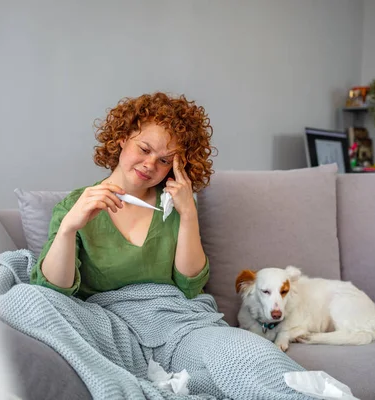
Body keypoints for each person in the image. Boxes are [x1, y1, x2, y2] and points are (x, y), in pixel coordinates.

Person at [30, 92, 309, 399]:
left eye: (164, 160)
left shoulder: (175, 204)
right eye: (144, 148)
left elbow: (190, 286)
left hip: (178, 325)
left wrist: (188, 213)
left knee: (250, 356)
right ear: (122, 138)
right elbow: (54, 293)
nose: (150, 165)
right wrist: (70, 228)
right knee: (26, 299)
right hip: (109, 331)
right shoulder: (75, 206)